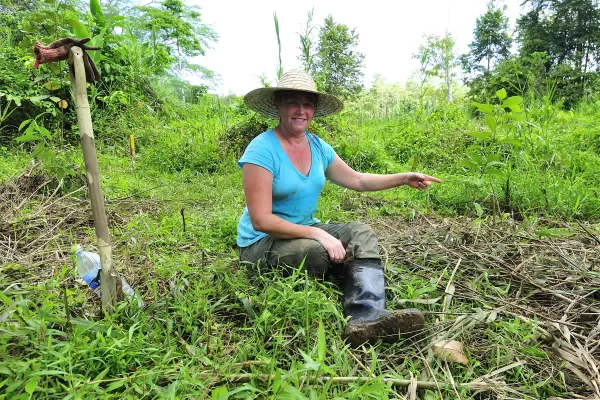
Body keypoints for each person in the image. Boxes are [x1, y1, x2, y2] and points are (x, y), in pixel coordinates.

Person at [237, 69, 442, 347]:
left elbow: (357, 180)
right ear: (278, 106)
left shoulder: (318, 147)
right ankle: (345, 273)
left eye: (307, 104)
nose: (301, 111)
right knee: (316, 251)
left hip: (304, 231)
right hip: (262, 242)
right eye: (293, 103)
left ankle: (366, 315)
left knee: (360, 232)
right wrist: (318, 234)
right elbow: (261, 220)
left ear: (314, 110)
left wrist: (403, 178)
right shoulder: (261, 150)